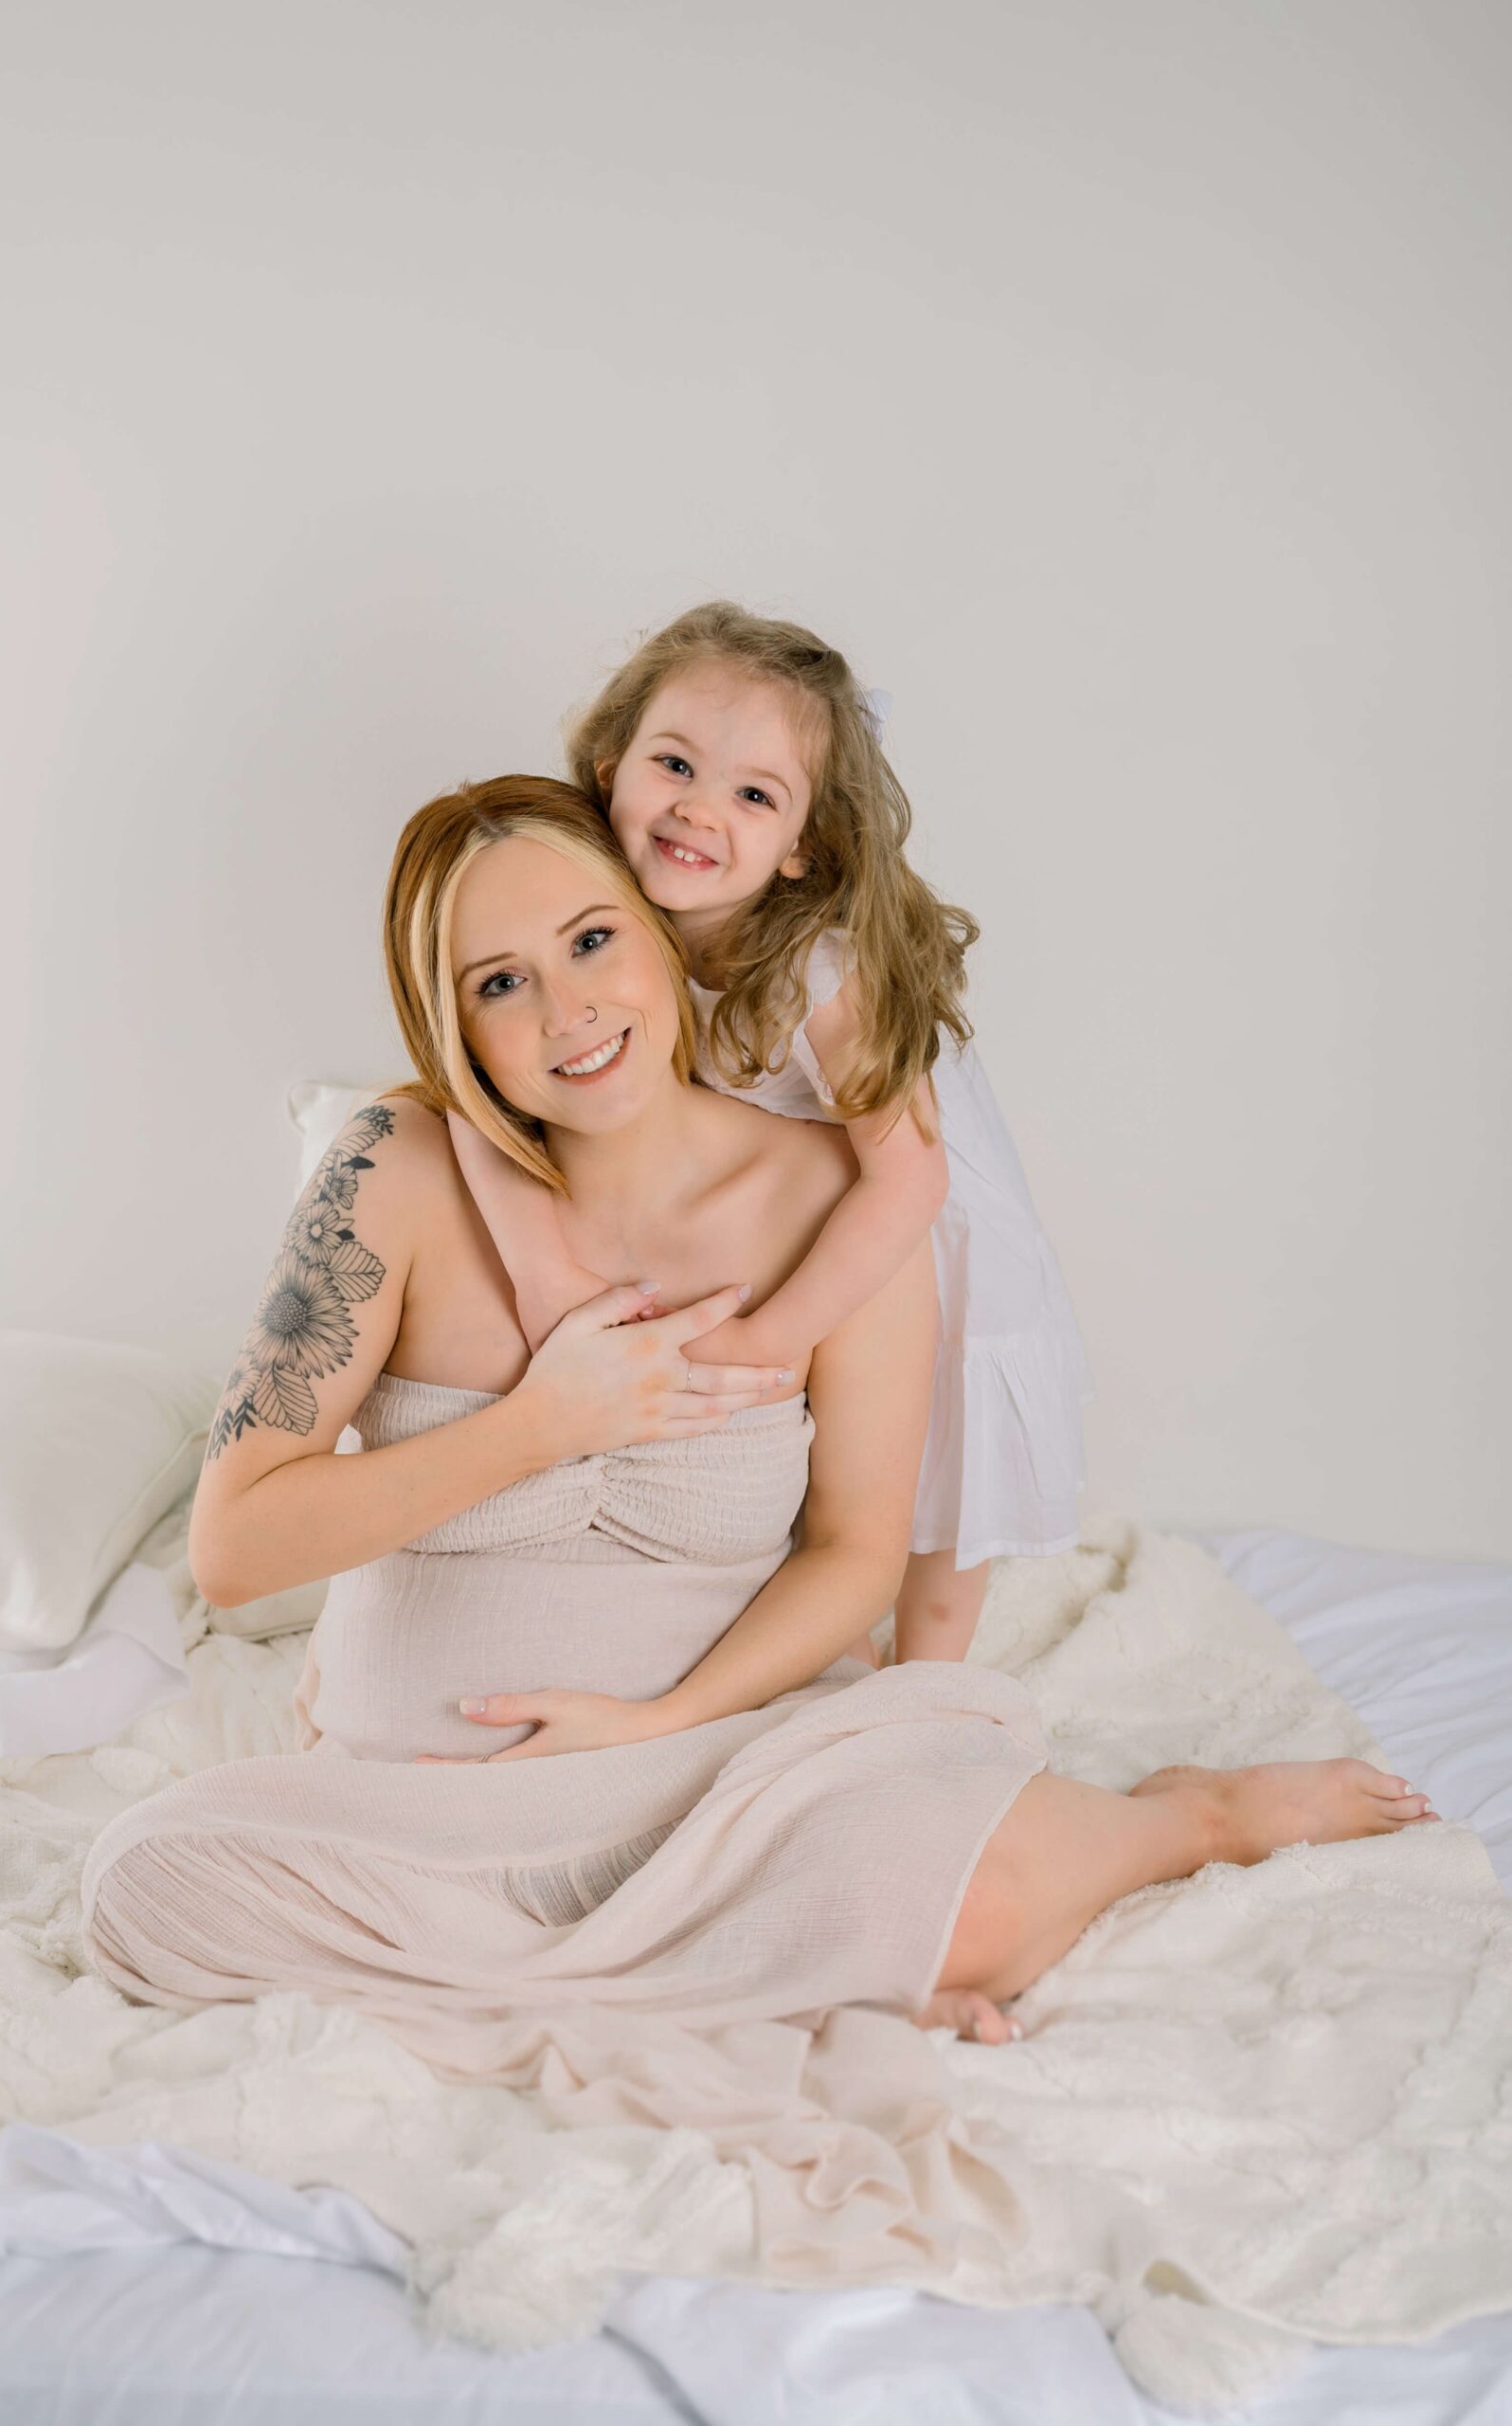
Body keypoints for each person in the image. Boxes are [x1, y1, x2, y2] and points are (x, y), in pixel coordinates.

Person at [81, 777, 1435, 2085]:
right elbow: (234, 1549)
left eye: (592, 941)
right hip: (424, 1822)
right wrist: (543, 1424)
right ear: (451, 1024)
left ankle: (1177, 1815)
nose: (567, 1011)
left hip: (715, 1779)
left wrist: (651, 1720)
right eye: (500, 983)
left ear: (663, 942)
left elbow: (853, 1554)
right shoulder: (391, 1168)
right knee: (142, 1888)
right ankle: (762, 1982)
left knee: (981, 1903)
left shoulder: (827, 1206)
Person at [448, 601, 1093, 1670]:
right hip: (782, 1213)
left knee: (933, 1491)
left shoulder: (821, 973)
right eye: (676, 765)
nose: (702, 811)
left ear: (801, 850)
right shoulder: (587, 916)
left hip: (908, 1237)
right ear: (609, 764)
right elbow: (467, 1090)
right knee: (792, 1488)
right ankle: (796, 1638)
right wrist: (538, 1268)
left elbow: (910, 1183)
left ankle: (931, 1686)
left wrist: (773, 1337)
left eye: (755, 794)